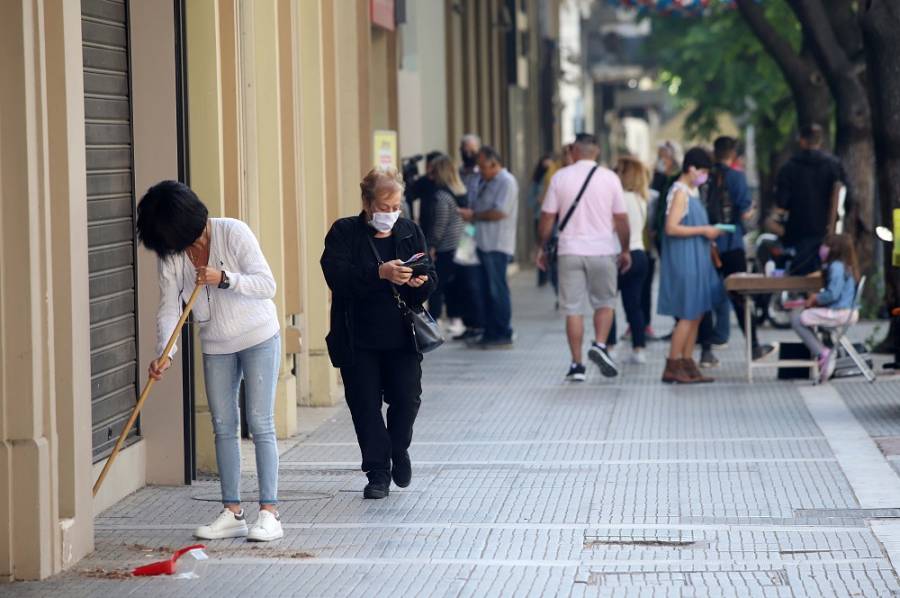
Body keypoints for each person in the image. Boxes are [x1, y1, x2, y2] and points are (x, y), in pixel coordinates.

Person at [137, 180, 283, 542]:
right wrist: (164, 354)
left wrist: (225, 279)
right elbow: (170, 308)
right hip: (216, 344)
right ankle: (232, 512)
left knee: (260, 422)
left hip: (258, 336)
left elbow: (267, 285)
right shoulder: (172, 256)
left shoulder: (234, 232)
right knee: (222, 424)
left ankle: (269, 513)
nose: (174, 249)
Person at [320, 168, 437, 500]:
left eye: (395, 206)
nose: (390, 214)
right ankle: (378, 472)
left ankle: (398, 449)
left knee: (408, 398)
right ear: (367, 203)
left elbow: (429, 276)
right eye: (384, 207)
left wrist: (420, 283)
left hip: (402, 336)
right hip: (358, 337)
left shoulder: (409, 232)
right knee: (364, 404)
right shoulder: (344, 233)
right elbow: (337, 277)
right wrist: (379, 273)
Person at [537, 134, 632, 382]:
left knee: (573, 309)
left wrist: (541, 247)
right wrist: (625, 249)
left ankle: (577, 365)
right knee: (605, 302)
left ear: (574, 151)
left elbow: (547, 217)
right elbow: (621, 218)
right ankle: (599, 345)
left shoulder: (560, 177)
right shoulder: (610, 178)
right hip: (602, 249)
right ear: (597, 151)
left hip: (570, 251)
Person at [698, 136, 775, 367]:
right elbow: (744, 214)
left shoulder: (704, 178)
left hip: (706, 244)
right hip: (731, 245)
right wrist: (751, 210)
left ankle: (706, 352)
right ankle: (753, 347)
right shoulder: (736, 177)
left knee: (705, 299)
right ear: (733, 154)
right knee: (741, 298)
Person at [658, 147, 726, 384]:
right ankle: (672, 364)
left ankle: (687, 362)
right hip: (685, 259)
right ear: (691, 168)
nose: (704, 175)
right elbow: (671, 227)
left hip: (696, 258)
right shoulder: (680, 193)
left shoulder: (692, 192)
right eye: (703, 170)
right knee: (687, 314)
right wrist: (704, 230)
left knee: (696, 314)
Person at [459, 146, 519, 349]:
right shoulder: (487, 181)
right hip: (482, 242)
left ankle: (502, 332)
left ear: (494, 164)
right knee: (485, 289)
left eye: (483, 167)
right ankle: (490, 331)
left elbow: (500, 212)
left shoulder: (506, 181)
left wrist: (473, 215)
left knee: (497, 289)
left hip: (497, 244)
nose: (481, 172)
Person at [775, 124, 846, 275]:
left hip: (797, 231)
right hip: (827, 231)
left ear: (801, 141)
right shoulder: (834, 166)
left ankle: (800, 297)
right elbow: (846, 198)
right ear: (820, 141)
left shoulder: (789, 168)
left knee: (799, 271)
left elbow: (782, 202)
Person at [791, 233, 859, 383]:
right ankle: (824, 355)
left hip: (840, 313)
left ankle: (823, 352)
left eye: (827, 245)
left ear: (835, 249)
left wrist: (816, 298)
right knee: (804, 316)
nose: (823, 248)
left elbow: (833, 294)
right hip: (847, 312)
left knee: (797, 318)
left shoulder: (836, 266)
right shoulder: (846, 265)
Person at [614, 155, 651, 365]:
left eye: (618, 170)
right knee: (634, 305)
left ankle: (607, 345)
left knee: (607, 303)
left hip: (621, 254)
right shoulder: (640, 198)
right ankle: (639, 348)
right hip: (640, 254)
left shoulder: (619, 198)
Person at [425, 154, 467, 332]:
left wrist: (431, 245)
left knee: (436, 285)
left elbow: (440, 224)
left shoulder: (441, 196)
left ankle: (434, 321)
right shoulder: (460, 192)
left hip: (446, 247)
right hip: (459, 245)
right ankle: (455, 320)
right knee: (454, 285)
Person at [453, 134, 486, 342]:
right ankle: (468, 322)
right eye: (465, 149)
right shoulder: (458, 173)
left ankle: (479, 322)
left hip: (474, 231)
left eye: (473, 149)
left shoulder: (482, 174)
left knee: (474, 279)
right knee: (461, 279)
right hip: (457, 231)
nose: (469, 153)